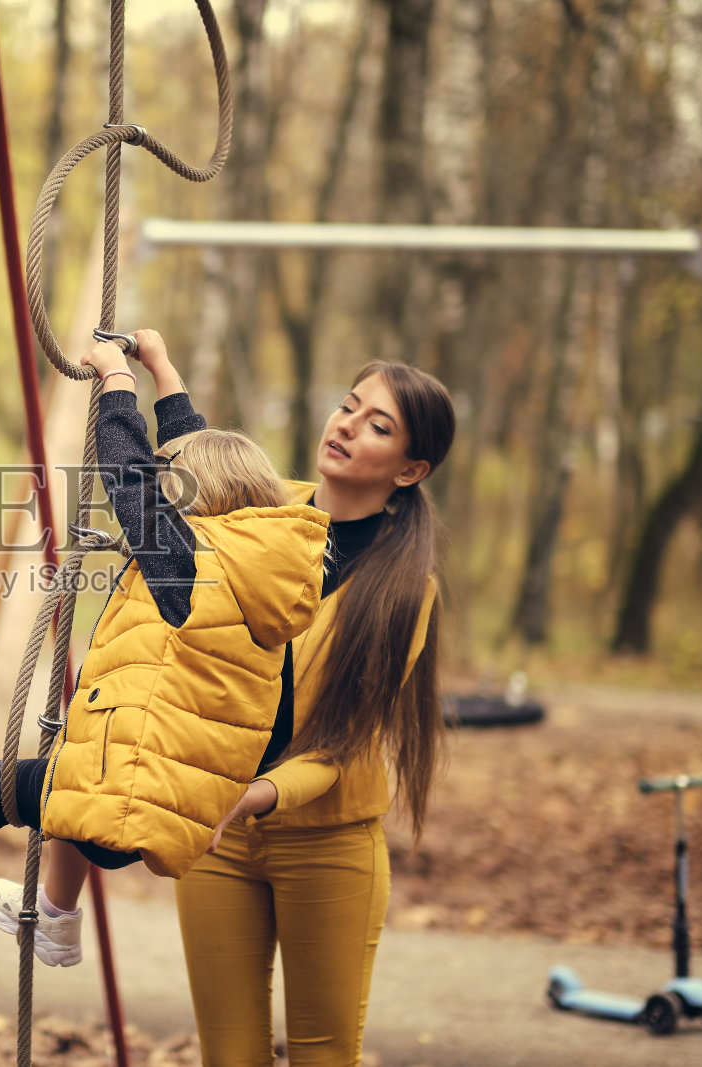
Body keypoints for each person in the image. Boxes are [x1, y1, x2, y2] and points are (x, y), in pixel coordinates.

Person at [0, 334, 330, 994]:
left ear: (191, 502)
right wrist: (162, 367)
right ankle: (55, 915)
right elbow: (279, 720)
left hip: (125, 798)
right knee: (79, 759)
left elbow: (130, 477)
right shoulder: (263, 585)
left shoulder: (185, 566)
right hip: (163, 805)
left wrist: (117, 380)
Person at [144, 333, 455, 1067]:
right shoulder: (266, 507)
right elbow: (190, 457)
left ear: (411, 469)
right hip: (214, 833)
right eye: (349, 406)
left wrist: (255, 794)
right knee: (230, 1055)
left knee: (321, 1055)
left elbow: (343, 745)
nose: (345, 425)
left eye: (377, 424)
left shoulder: (406, 589)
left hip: (328, 843)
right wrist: (153, 371)